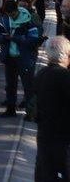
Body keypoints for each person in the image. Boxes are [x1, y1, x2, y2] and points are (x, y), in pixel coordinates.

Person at [34, 35, 70, 182]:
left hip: (44, 136)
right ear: (67, 56)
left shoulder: (40, 75)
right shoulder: (66, 77)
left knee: (44, 174)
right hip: (64, 140)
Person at [0, 0, 40, 118]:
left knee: (28, 86)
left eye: (12, 14)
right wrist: (4, 38)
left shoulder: (28, 20)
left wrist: (15, 38)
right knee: (10, 85)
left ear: (16, 10)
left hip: (25, 58)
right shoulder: (5, 20)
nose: (11, 17)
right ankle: (10, 109)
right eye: (8, 15)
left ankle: (30, 112)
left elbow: (33, 40)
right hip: (10, 57)